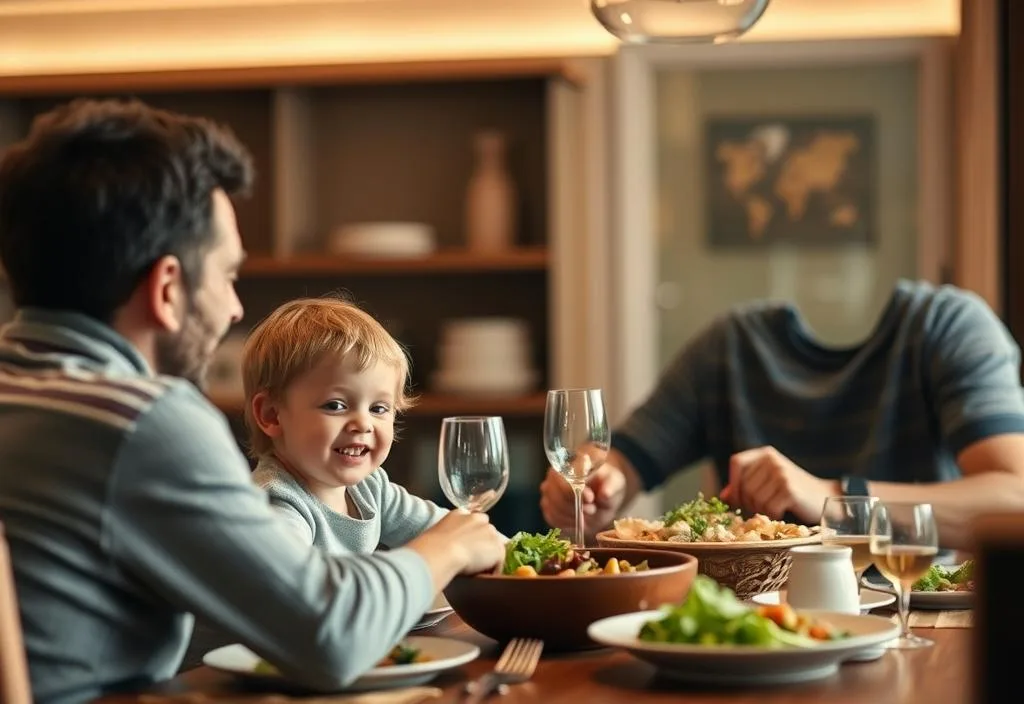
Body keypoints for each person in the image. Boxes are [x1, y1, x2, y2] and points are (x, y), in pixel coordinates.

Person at [0, 98, 505, 704]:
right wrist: (441, 549)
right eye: (226, 275)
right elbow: (330, 636)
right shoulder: (141, 422)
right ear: (166, 289)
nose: (235, 306)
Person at [540, 280, 1024, 550]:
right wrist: (596, 489)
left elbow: (1015, 497)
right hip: (756, 628)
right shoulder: (731, 345)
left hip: (913, 618)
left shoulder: (951, 326)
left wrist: (832, 498)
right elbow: (623, 462)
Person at [243, 296, 447, 549]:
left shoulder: (370, 487)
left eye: (378, 408)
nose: (363, 424)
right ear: (271, 415)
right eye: (336, 406)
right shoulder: (276, 502)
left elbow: (450, 533)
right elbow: (302, 584)